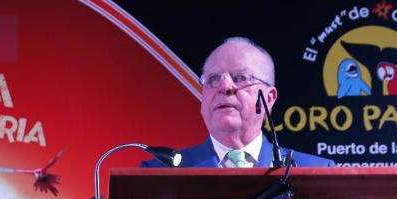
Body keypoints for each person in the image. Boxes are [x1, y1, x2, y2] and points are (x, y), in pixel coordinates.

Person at [143, 37, 334, 168]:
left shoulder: (315, 171)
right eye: (213, 79)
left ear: (269, 98)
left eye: (241, 77)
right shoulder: (155, 173)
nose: (225, 87)